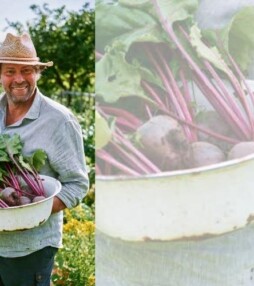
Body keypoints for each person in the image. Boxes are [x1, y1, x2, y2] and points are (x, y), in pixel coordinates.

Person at [0, 32, 89, 285]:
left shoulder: (58, 120)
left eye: (26, 70)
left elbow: (77, 185)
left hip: (30, 250)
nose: (19, 79)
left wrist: (30, 210)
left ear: (37, 72)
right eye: (10, 71)